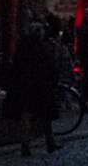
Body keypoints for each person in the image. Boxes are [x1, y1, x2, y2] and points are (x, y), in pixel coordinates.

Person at [6, 21, 62, 155]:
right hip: (41, 86)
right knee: (45, 116)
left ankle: (25, 145)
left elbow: (16, 67)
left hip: (25, 86)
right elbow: (51, 67)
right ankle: (50, 142)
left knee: (26, 115)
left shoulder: (22, 48)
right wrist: (53, 82)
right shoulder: (44, 48)